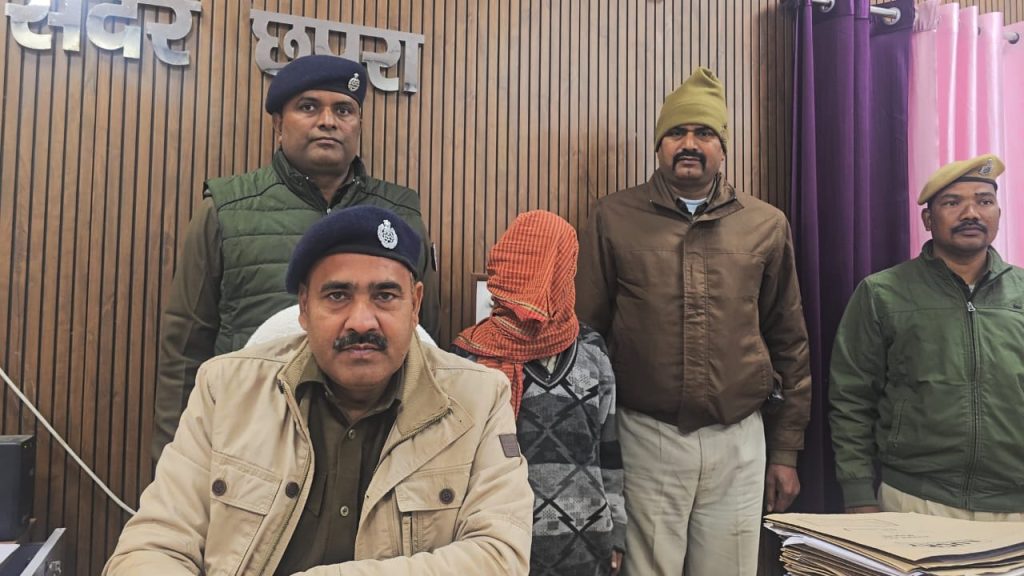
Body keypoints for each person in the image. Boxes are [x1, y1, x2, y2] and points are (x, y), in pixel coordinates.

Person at [104, 205, 533, 575]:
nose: (361, 321)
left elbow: (499, 557)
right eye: (338, 295)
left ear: (415, 305)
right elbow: (153, 547)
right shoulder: (226, 388)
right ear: (304, 308)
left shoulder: (480, 399)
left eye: (385, 295)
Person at [575, 67, 812, 575]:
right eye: (676, 132)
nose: (689, 144)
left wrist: (786, 451)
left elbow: (789, 341)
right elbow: (586, 336)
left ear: (722, 147)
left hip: (739, 441)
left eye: (704, 132)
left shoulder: (765, 224)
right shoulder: (613, 217)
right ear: (658, 145)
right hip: (645, 437)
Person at [151, 54, 441, 464]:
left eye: (344, 110)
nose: (328, 121)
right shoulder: (226, 210)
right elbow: (184, 350)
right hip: (251, 437)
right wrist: (175, 461)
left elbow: (426, 339)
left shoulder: (402, 213)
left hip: (377, 443)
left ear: (358, 124)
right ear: (277, 124)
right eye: (309, 107)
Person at [830, 154, 1024, 521]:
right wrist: (857, 492)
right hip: (915, 499)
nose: (971, 213)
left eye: (984, 201)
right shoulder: (883, 293)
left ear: (999, 213)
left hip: (1015, 506)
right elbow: (851, 398)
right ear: (928, 219)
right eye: (953, 203)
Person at [452, 211, 626, 576]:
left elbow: (608, 449)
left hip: (586, 548)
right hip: (499, 551)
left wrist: (617, 532)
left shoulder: (592, 351)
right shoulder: (470, 357)